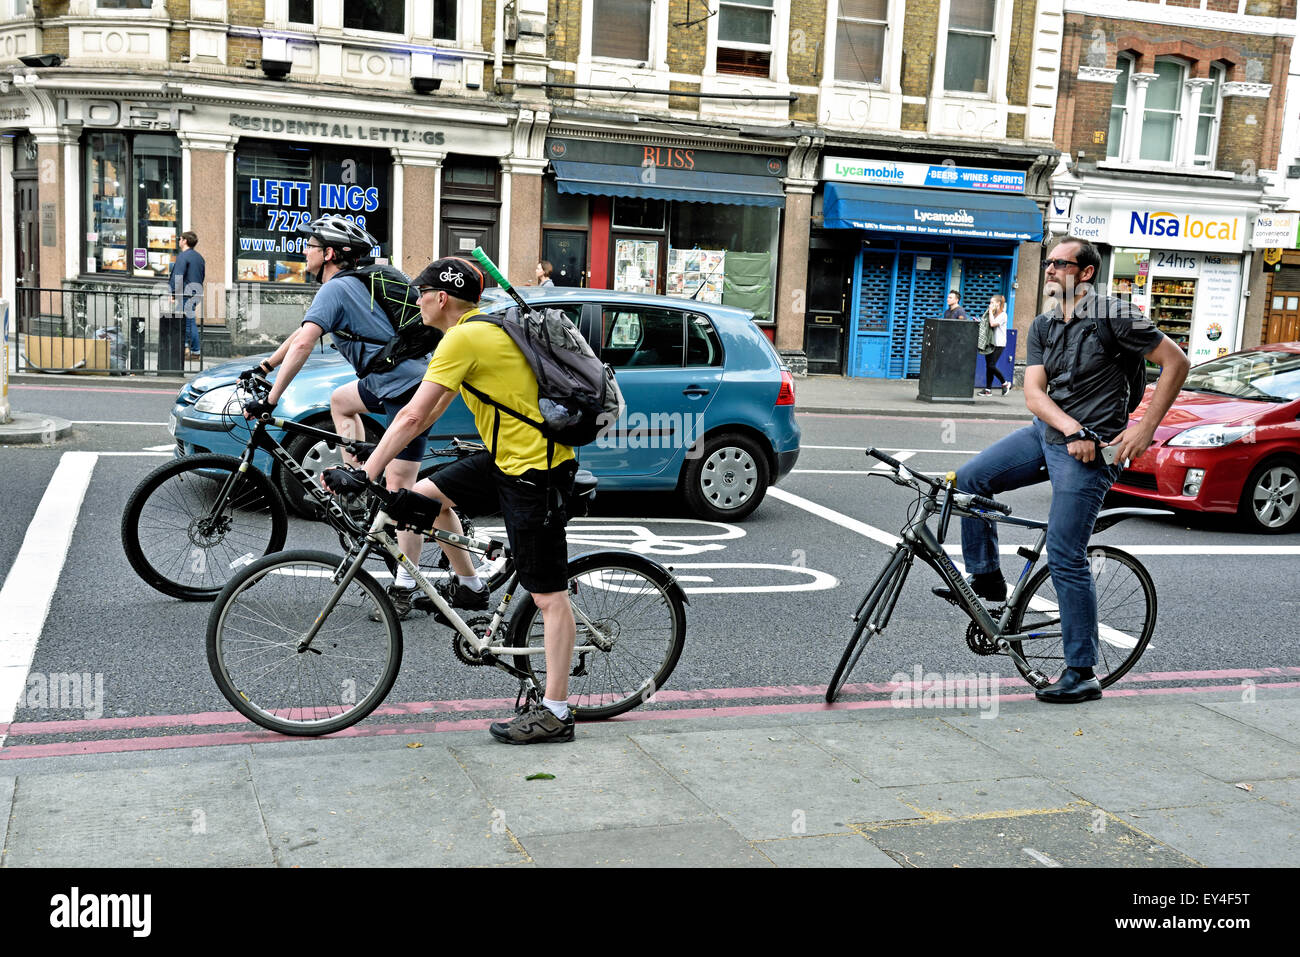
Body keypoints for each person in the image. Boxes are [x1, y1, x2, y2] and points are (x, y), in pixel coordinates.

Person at [338, 256, 581, 745]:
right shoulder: (474, 332)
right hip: (507, 458)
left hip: (535, 469)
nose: (415, 302)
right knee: (420, 497)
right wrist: (378, 456)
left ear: (440, 297)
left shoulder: (466, 337)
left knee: (548, 596)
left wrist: (363, 472)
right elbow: (427, 414)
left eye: (419, 293)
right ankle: (470, 585)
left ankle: (556, 712)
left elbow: (411, 416)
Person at [940, 238, 1189, 703]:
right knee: (969, 481)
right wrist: (1068, 426)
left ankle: (1082, 671)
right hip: (1051, 433)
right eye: (1048, 261)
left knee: (1066, 553)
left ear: (1087, 272)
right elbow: (1034, 393)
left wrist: (1144, 430)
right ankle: (988, 575)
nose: (1050, 269)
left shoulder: (1115, 315)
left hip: (1093, 451)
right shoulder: (1043, 324)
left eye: (1060, 263)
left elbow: (1176, 362)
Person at [241, 215, 433, 604]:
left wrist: (271, 399)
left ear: (329, 254)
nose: (304, 251)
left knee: (400, 489)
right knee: (341, 401)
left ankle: (406, 584)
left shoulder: (337, 288)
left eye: (310, 246)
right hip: (390, 380)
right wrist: (265, 366)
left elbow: (304, 345)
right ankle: (359, 478)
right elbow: (301, 333)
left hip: (410, 389)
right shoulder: (345, 286)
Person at [170, 231, 206, 359]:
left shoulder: (183, 256)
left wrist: (173, 293)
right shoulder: (199, 257)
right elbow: (202, 276)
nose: (179, 241)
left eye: (180, 239)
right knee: (188, 321)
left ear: (184, 241)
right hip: (196, 292)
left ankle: (193, 350)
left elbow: (178, 276)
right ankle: (190, 349)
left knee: (187, 322)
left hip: (186, 292)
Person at [979, 293, 1011, 396]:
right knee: (989, 366)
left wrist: (989, 313)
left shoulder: (1003, 315)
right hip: (990, 343)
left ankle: (1005, 383)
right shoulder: (993, 314)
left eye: (992, 302)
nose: (990, 304)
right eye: (990, 302)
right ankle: (988, 390)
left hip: (999, 344)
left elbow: (992, 324)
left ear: (998, 303)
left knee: (991, 365)